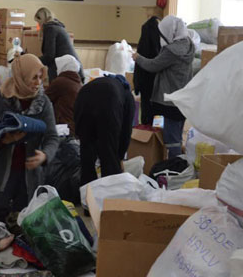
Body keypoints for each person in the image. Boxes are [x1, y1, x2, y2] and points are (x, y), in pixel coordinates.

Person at [0, 54, 59, 224]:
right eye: (33, 77)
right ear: (21, 77)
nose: (38, 82)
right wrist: (3, 140)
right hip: (0, 170)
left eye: (40, 77)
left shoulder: (43, 103)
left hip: (29, 172)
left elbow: (52, 136)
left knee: (24, 221)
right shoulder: (2, 98)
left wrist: (44, 155)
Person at [132, 15, 195, 157]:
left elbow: (153, 65)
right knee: (177, 137)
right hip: (182, 98)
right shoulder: (188, 44)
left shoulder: (171, 51)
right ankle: (178, 164)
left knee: (172, 141)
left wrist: (138, 57)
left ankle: (174, 168)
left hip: (170, 100)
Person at [74, 75, 136, 186]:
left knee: (86, 150)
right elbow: (126, 131)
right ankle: (109, 194)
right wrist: (119, 157)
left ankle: (86, 193)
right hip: (109, 100)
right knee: (109, 153)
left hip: (82, 97)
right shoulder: (127, 93)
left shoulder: (101, 81)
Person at [34, 8, 84, 82]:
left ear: (41, 20)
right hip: (73, 71)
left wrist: (33, 61)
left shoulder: (50, 29)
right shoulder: (57, 27)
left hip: (68, 72)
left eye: (38, 22)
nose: (38, 26)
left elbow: (49, 56)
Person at [134, 14, 162, 125]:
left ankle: (147, 135)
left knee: (146, 111)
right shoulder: (162, 46)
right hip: (156, 83)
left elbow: (142, 65)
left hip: (145, 81)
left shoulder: (145, 39)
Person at [45, 55, 82, 135]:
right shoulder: (78, 83)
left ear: (63, 66)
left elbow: (44, 99)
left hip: (64, 128)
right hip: (74, 128)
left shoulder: (61, 82)